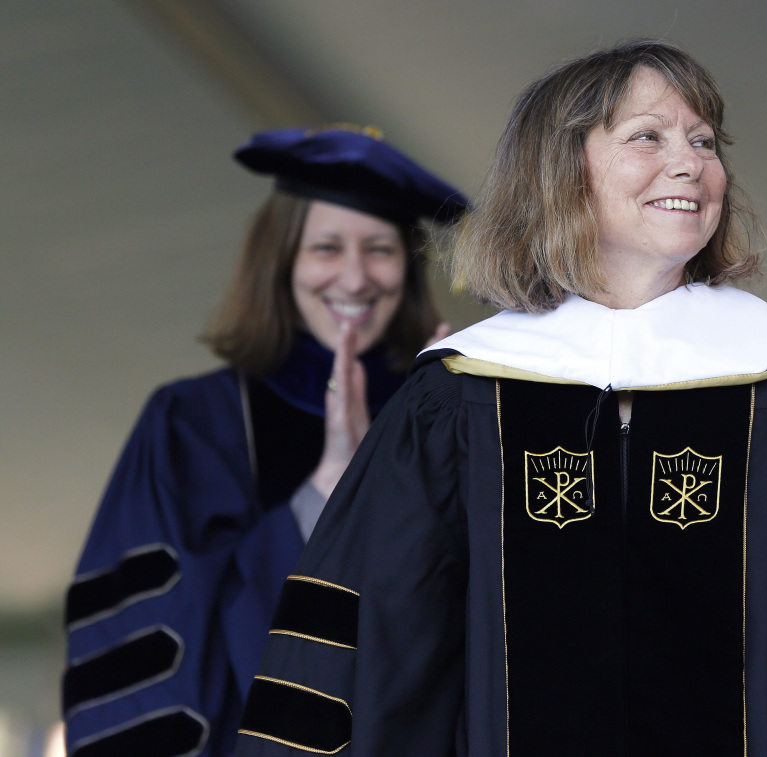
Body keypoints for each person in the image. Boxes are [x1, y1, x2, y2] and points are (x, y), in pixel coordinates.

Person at [234, 42, 767, 757]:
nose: (689, 165)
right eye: (648, 137)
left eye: (703, 141)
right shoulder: (460, 396)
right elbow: (378, 639)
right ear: (563, 173)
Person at [62, 126, 467, 757]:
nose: (356, 278)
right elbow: (149, 643)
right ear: (280, 261)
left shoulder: (449, 421)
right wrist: (324, 492)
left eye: (381, 250)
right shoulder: (194, 424)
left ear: (408, 268)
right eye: (327, 247)